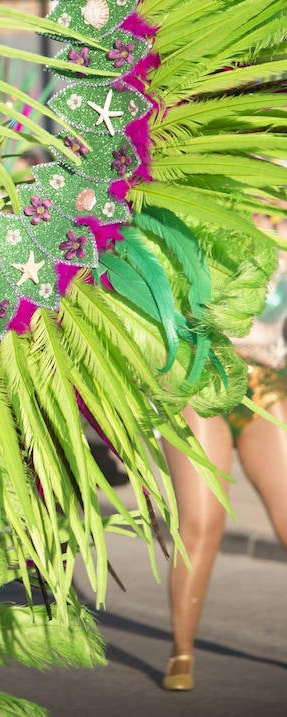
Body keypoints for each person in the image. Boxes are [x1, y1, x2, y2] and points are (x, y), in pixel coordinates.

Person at [161, 219, 287, 691]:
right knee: (201, 523)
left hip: (266, 382)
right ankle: (182, 652)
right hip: (201, 380)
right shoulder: (213, 211)